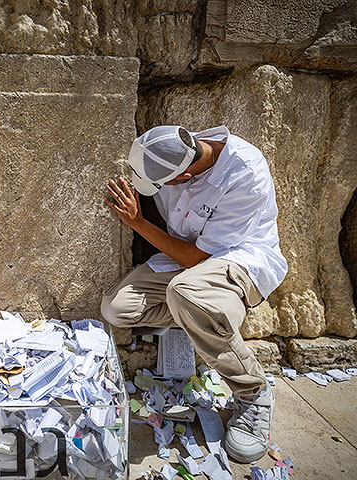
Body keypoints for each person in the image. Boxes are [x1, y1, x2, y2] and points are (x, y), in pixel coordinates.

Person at [102, 125, 287, 463]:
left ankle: (253, 391)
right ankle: (200, 318)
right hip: (182, 262)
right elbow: (184, 254)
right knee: (117, 308)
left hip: (235, 261)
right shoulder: (169, 146)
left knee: (185, 291)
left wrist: (138, 222)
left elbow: (197, 258)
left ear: (185, 175)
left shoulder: (245, 174)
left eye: (159, 187)